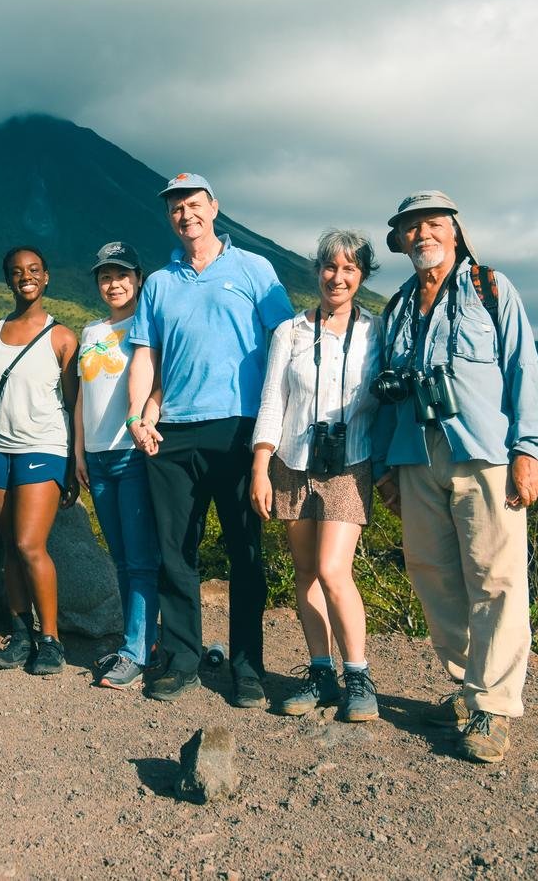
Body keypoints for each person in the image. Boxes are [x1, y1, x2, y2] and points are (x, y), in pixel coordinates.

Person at [371, 190, 538, 763]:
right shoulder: (397, 308)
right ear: (400, 241)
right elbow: (384, 393)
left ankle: (492, 707)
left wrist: (528, 450)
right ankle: (468, 683)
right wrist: (384, 468)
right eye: (411, 227)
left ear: (455, 231)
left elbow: (523, 365)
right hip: (415, 455)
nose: (422, 234)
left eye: (433, 223)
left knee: (495, 578)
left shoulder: (490, 288)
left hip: (485, 452)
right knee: (432, 574)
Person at [126, 173, 295, 706]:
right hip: (171, 433)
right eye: (176, 208)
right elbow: (145, 354)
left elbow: (286, 344)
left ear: (214, 207)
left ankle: (248, 667)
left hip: (239, 428)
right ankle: (181, 660)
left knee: (246, 552)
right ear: (169, 216)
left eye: (194, 204)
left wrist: (278, 426)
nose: (186, 215)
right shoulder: (159, 283)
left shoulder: (254, 269)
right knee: (175, 552)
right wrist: (137, 415)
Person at [250, 229, 384, 721]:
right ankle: (321, 672)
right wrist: (260, 466)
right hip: (292, 461)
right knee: (305, 571)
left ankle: (359, 676)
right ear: (317, 270)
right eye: (330, 266)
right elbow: (273, 400)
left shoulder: (376, 332)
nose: (338, 277)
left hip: (350, 463)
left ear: (362, 276)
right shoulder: (290, 331)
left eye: (349, 268)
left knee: (332, 569)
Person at [0, 246, 81, 676]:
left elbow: (74, 406)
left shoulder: (62, 338)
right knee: (10, 548)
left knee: (28, 544)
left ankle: (50, 640)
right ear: (8, 279)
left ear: (46, 276)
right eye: (17, 271)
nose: (26, 277)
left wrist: (74, 464)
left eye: (34, 269)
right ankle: (21, 636)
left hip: (43, 448)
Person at [74, 242, 161, 690]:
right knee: (122, 559)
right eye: (106, 276)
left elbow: (158, 385)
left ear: (138, 278)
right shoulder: (90, 330)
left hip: (132, 453)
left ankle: (135, 651)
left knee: (141, 558)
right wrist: (79, 451)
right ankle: (140, 642)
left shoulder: (147, 325)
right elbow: (81, 397)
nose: (114, 284)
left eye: (122, 275)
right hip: (97, 456)